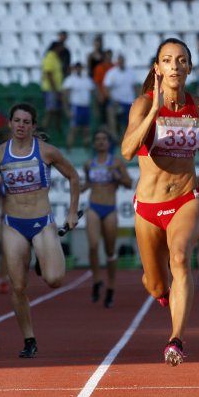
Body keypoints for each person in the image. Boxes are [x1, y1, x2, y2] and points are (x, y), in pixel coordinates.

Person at [120, 38, 199, 366]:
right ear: (157, 69)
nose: (175, 66)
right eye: (167, 60)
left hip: (186, 198)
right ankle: (165, 297)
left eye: (181, 60)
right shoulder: (142, 105)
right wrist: (155, 109)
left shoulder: (198, 105)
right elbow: (127, 151)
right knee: (155, 283)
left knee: (181, 259)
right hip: (148, 207)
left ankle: (176, 340)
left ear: (189, 68)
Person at [0, 103, 81, 358]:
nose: (21, 125)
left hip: (42, 221)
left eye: (26, 122)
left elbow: (74, 176)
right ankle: (29, 338)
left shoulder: (46, 151)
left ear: (33, 126)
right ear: (10, 124)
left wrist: (71, 212)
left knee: (54, 279)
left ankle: (42, 260)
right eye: (17, 121)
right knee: (18, 286)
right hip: (14, 224)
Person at [82, 129, 133, 308]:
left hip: (110, 208)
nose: (101, 142)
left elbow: (129, 183)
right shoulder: (89, 163)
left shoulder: (116, 162)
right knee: (93, 245)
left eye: (104, 139)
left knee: (110, 251)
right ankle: (96, 280)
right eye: (98, 139)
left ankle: (111, 286)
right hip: (93, 206)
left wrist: (117, 175)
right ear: (95, 144)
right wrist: (80, 187)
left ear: (109, 143)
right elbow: (88, 182)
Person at [62, 62, 96, 149]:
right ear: (74, 69)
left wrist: (95, 108)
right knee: (74, 130)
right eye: (77, 68)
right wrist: (67, 110)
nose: (78, 69)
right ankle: (68, 151)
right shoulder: (70, 80)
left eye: (80, 67)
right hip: (76, 107)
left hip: (86, 107)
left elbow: (93, 93)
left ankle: (86, 150)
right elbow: (65, 95)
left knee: (86, 130)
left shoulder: (87, 80)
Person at [102, 54, 138, 136]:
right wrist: (112, 100)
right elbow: (106, 88)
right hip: (116, 102)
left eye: (122, 60)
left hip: (129, 102)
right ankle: (114, 139)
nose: (121, 62)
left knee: (128, 124)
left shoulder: (131, 72)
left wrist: (137, 100)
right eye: (119, 60)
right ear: (117, 62)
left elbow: (135, 87)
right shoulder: (111, 73)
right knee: (111, 116)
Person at [41, 42, 65, 134]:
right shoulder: (50, 57)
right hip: (51, 89)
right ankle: (42, 133)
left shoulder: (55, 58)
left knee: (55, 111)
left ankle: (52, 132)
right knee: (50, 111)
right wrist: (55, 90)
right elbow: (49, 74)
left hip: (55, 89)